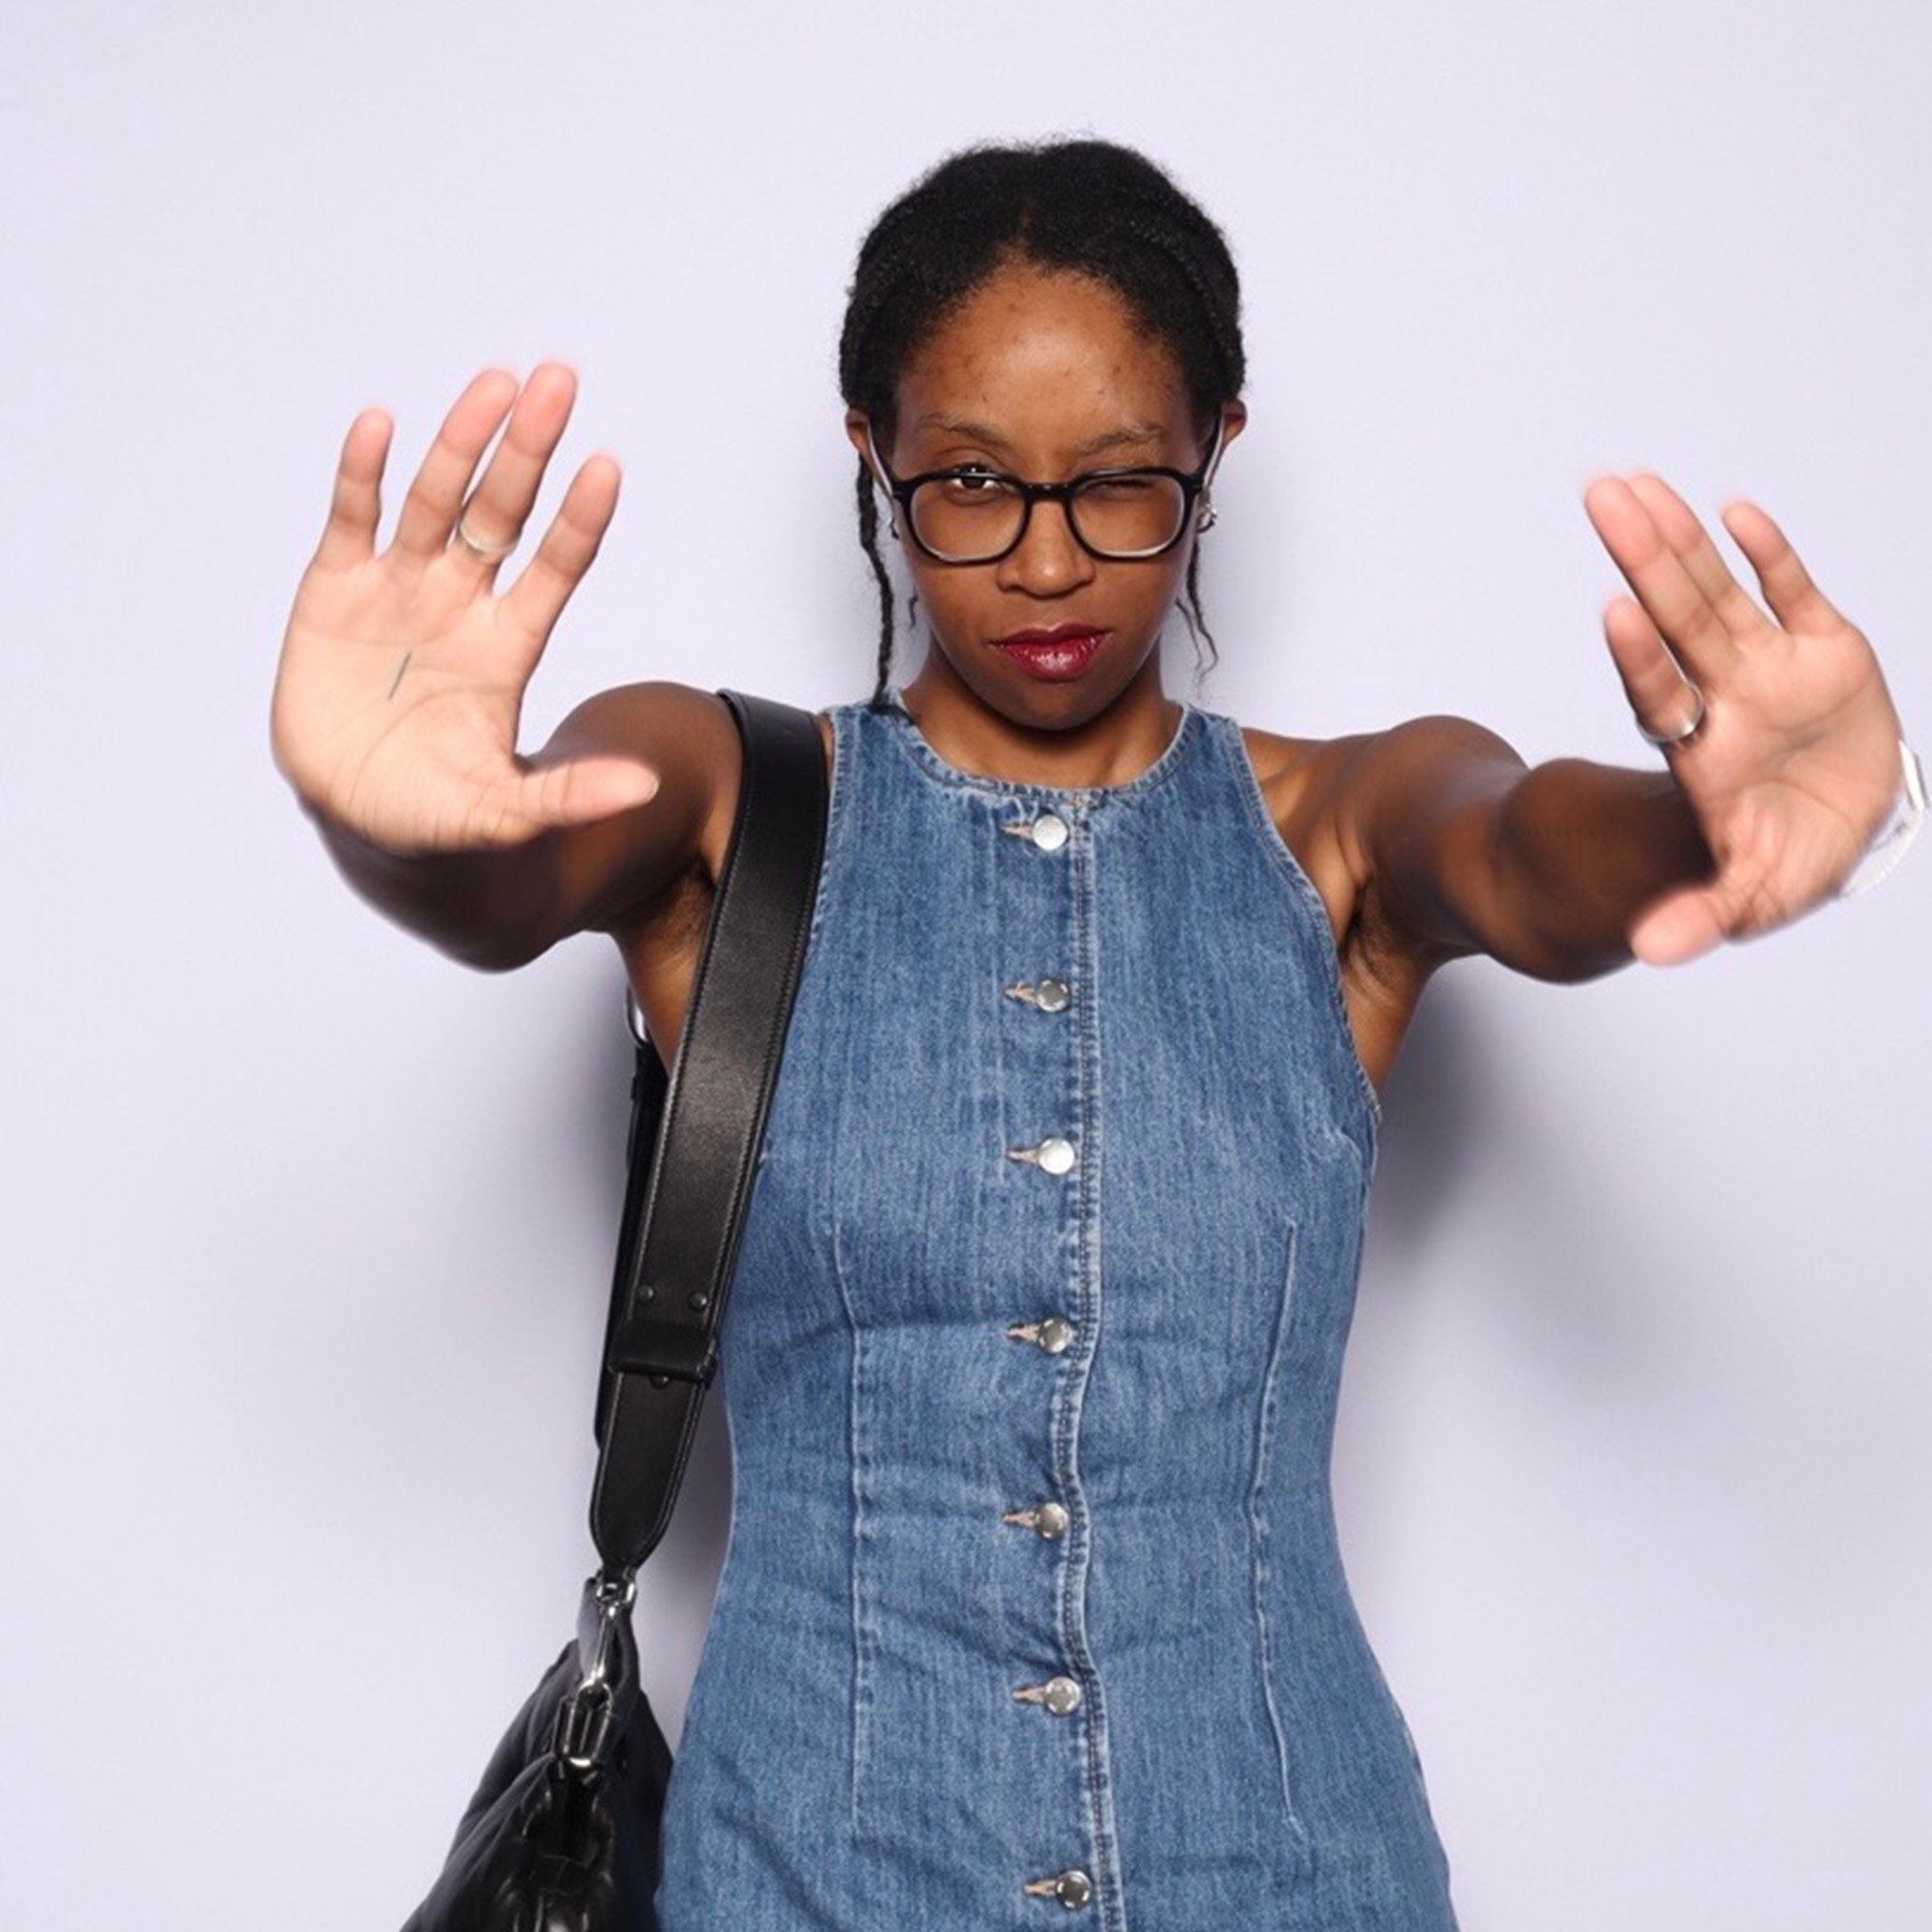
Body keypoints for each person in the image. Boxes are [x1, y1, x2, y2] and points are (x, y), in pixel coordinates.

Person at [270, 138, 1919, 1931]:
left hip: (1290, 1874)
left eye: (1123, 484)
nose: (1048, 563)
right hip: (808, 1877)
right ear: (872, 452)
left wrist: (1703, 829)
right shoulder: (727, 796)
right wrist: (390, 830)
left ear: (1217, 447)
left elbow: (1524, 853)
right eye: (970, 483)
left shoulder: (1339, 827)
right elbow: (509, 865)